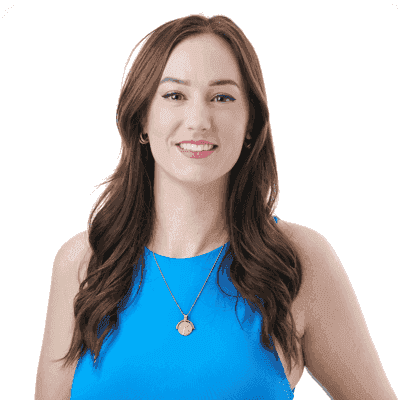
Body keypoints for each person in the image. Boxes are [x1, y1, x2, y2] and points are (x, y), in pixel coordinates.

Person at [35, 14, 398, 400]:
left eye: (222, 97)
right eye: (175, 96)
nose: (198, 121)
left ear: (250, 123)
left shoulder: (299, 261)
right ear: (142, 117)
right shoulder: (84, 263)